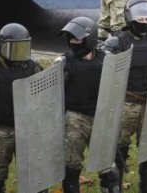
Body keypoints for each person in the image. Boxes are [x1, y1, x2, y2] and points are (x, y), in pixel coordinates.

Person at [103, 0, 147, 193]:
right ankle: (115, 188)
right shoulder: (116, 43)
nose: (144, 21)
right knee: (118, 151)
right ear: (130, 17)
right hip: (125, 103)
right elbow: (105, 76)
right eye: (140, 17)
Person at [0, 23, 42, 193]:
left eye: (23, 48)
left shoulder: (32, 68)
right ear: (1, 48)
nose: (20, 54)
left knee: (34, 172)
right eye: (14, 49)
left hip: (27, 129)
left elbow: (44, 99)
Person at [58, 17, 121, 193]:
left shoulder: (107, 60)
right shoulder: (64, 63)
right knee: (71, 167)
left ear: (90, 38)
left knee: (108, 169)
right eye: (70, 38)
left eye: (77, 38)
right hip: (74, 118)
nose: (73, 42)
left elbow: (117, 87)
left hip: (101, 116)